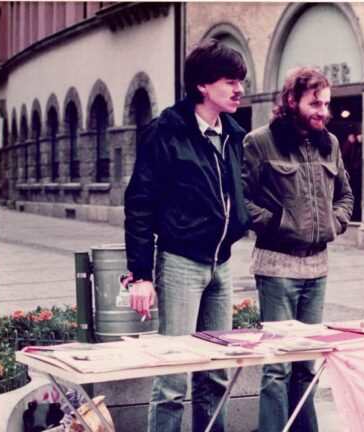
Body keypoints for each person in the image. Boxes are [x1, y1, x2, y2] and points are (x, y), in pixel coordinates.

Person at [124, 39, 250, 432]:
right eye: (230, 80)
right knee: (174, 375)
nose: (239, 89)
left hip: (222, 264)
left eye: (240, 80)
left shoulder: (231, 134)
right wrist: (141, 275)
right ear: (202, 86)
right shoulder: (166, 132)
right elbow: (139, 204)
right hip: (180, 263)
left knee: (214, 371)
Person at [241, 66, 353, 432]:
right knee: (277, 365)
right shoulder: (259, 142)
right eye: (315, 102)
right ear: (292, 101)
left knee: (307, 363)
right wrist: (277, 223)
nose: (323, 110)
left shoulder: (330, 143)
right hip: (276, 269)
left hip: (317, 269)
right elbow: (241, 201)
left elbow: (347, 196)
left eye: (326, 103)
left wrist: (334, 222)